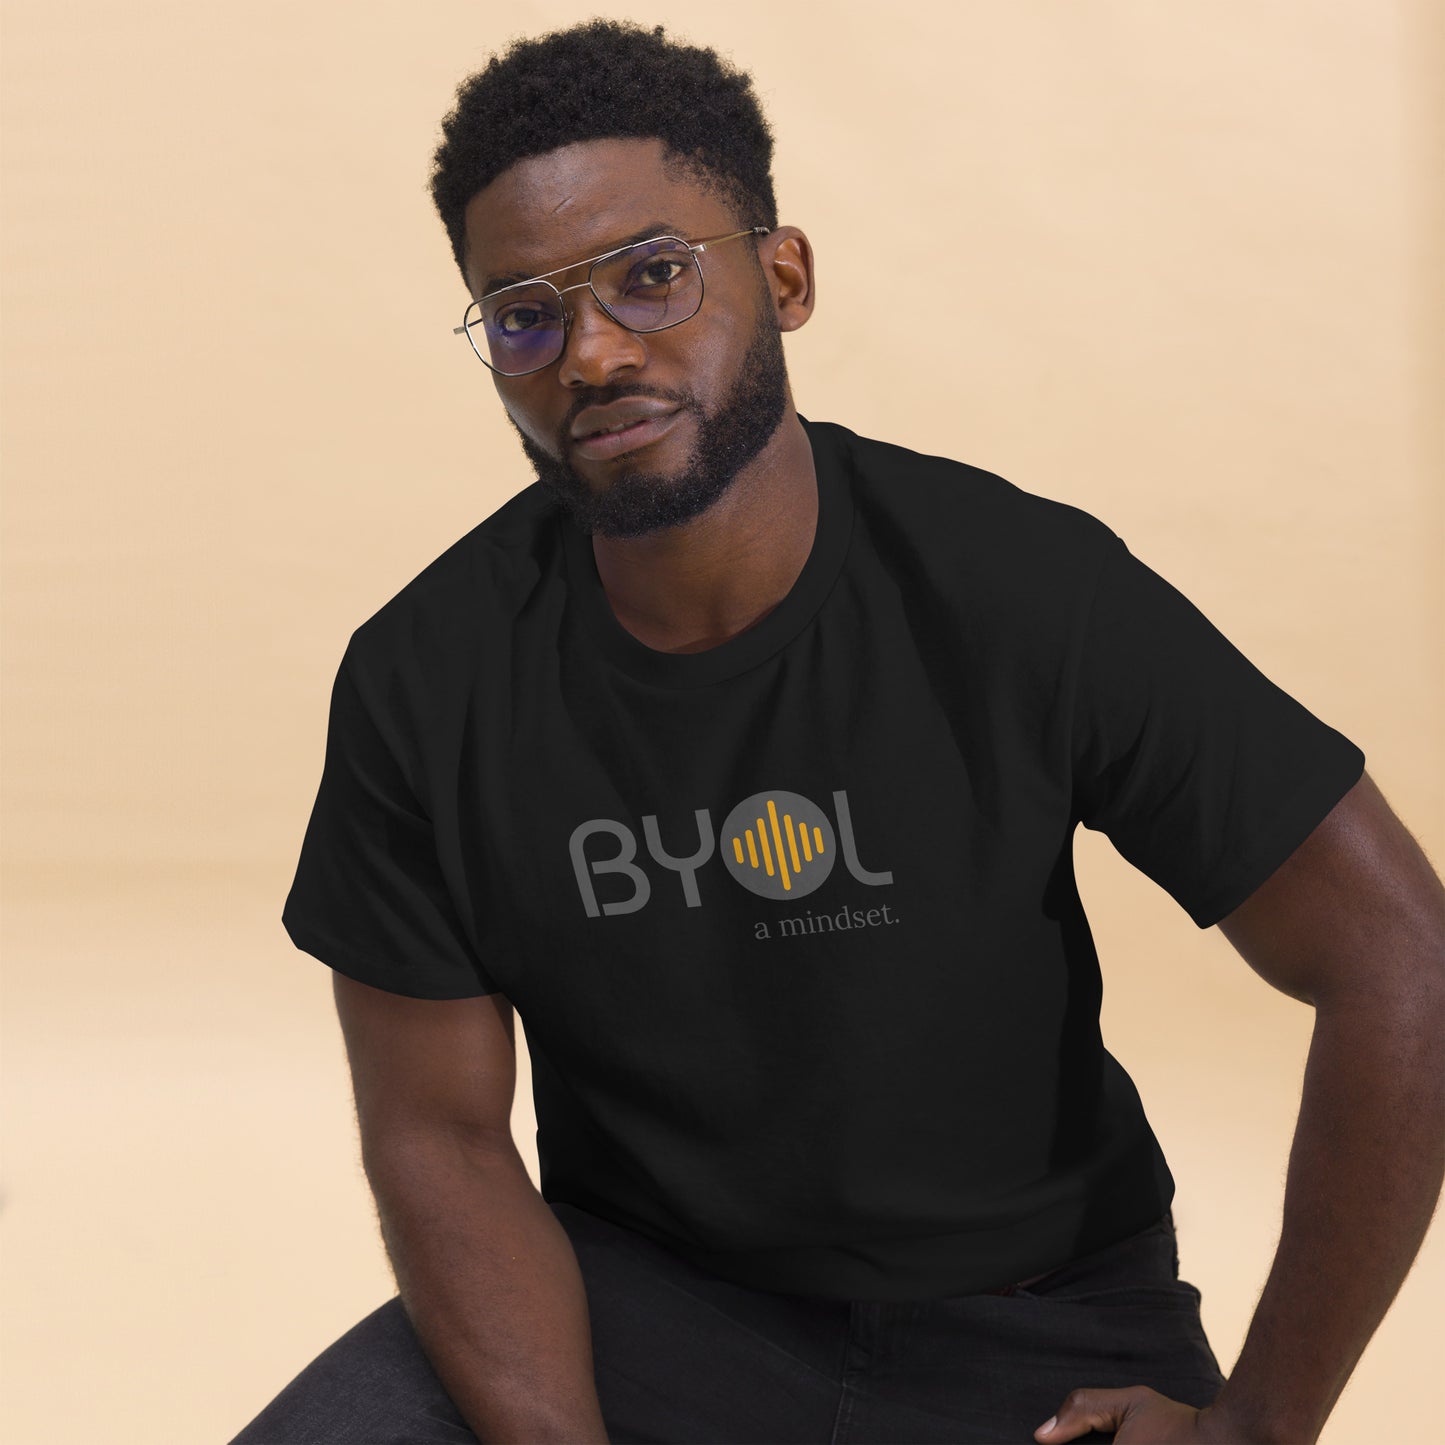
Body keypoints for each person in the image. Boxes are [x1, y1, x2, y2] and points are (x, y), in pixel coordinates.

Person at [230, 20, 1445, 1445]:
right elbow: (436, 1131)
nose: (593, 351)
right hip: (640, 1309)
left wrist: (1258, 1424)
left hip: (1032, 1330)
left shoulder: (1013, 588)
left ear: (783, 276)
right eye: (523, 316)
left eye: (652, 275)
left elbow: (1397, 957)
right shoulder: (422, 678)